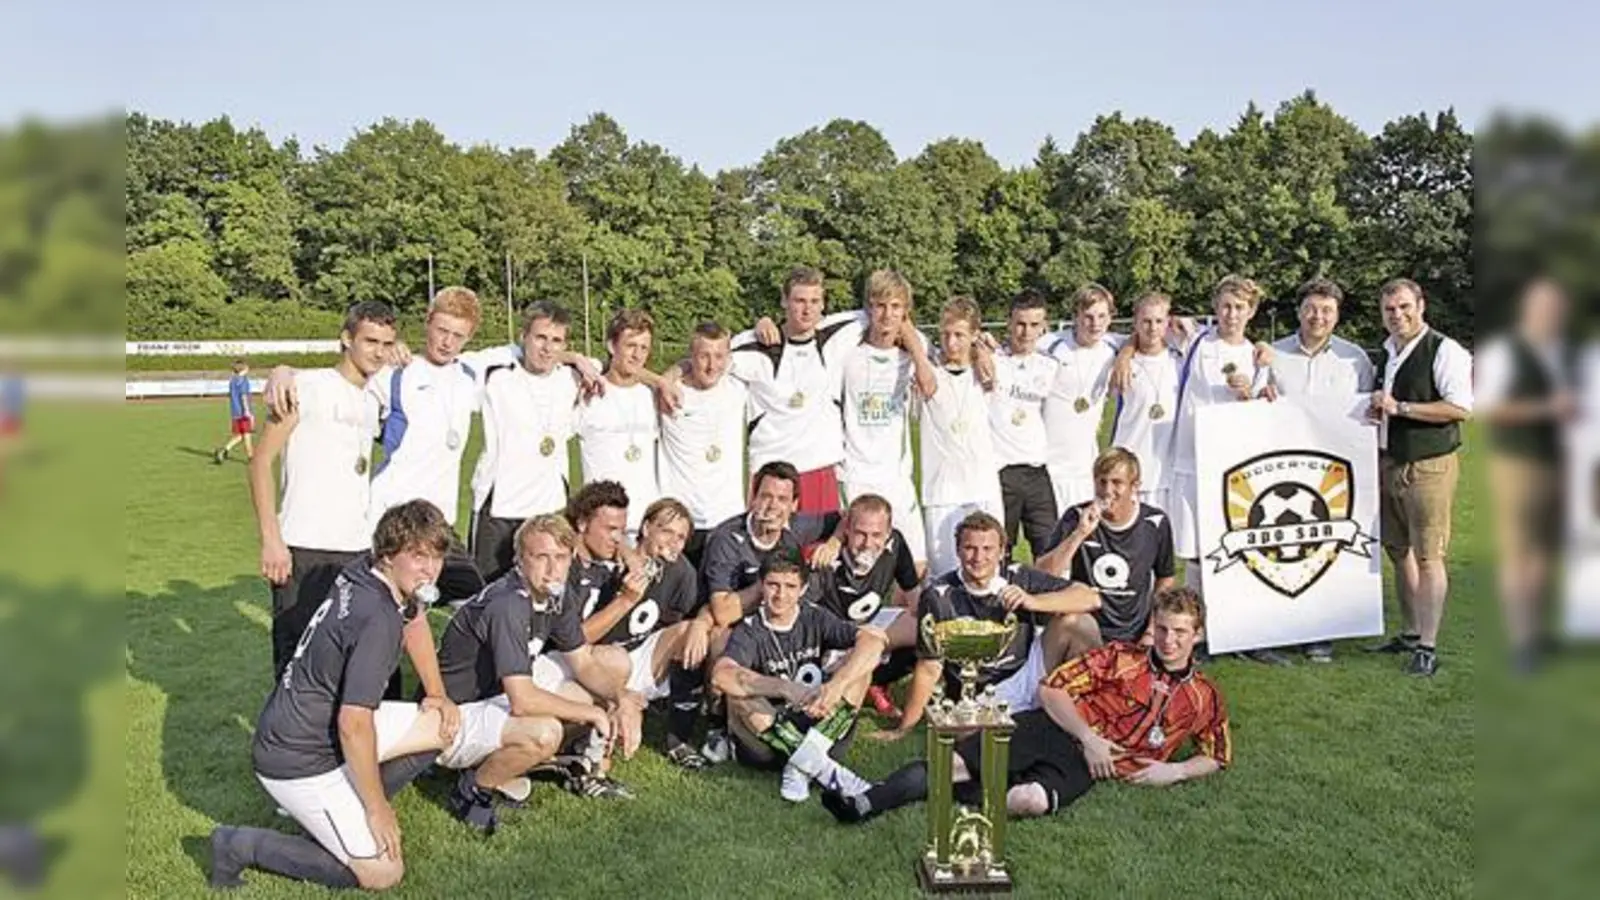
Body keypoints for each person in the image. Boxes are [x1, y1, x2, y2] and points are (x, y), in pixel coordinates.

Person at [208, 500, 464, 891]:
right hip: (297, 758)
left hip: (306, 726)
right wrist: (377, 810)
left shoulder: (367, 568)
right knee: (383, 873)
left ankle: (344, 810)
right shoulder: (377, 618)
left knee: (443, 723)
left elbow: (413, 617)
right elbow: (353, 724)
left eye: (436, 557)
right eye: (418, 556)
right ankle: (238, 845)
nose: (430, 569)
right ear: (389, 554)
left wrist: (438, 693)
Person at [821, 586, 1231, 824]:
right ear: (1152, 626)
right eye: (1161, 629)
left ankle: (934, 793)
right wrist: (1088, 736)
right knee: (953, 766)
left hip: (1084, 768)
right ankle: (865, 803)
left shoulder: (1204, 696)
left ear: (1197, 634)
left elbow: (1217, 754)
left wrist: (1175, 770)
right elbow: (1052, 690)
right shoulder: (1121, 658)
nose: (1168, 640)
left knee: (1028, 801)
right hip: (1053, 729)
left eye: (1179, 632)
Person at [433, 513, 624, 833]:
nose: (552, 569)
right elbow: (521, 701)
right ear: (519, 560)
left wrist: (621, 699)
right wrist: (591, 713)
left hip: (497, 696)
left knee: (609, 671)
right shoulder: (508, 603)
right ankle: (474, 789)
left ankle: (547, 761)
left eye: (561, 558)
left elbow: (584, 662)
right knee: (544, 731)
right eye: (541, 557)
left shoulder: (556, 593)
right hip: (453, 717)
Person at [248, 301, 395, 682]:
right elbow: (260, 462)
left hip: (358, 550)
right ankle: (284, 742)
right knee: (297, 667)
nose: (378, 351)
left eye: (386, 343)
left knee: (350, 664)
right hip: (303, 547)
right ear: (346, 338)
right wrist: (271, 539)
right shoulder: (304, 387)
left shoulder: (375, 397)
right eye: (369, 341)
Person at [871, 511, 1101, 744]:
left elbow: (1090, 598)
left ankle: (1096, 716)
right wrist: (904, 728)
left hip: (1027, 672)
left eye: (988, 549)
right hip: (979, 694)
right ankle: (1040, 720)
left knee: (1080, 624)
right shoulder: (939, 595)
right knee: (961, 734)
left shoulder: (1018, 576)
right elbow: (930, 668)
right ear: (958, 550)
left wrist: (1033, 602)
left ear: (1002, 552)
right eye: (970, 548)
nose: (978, 557)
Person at [1254, 277, 1377, 663]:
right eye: (1311, 308)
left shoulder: (1355, 358)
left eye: (1326, 310)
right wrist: (1262, 394)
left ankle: (1318, 633)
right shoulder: (1272, 354)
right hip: (1279, 469)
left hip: (1333, 472)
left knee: (1325, 550)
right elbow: (1254, 404)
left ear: (1337, 315)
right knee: (1279, 550)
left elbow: (1365, 416)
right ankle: (1274, 626)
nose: (1318, 316)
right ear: (1299, 311)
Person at [696, 460, 844, 760]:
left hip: (773, 614)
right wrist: (768, 583)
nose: (772, 506)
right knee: (718, 637)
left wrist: (834, 543)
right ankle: (717, 724)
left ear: (794, 505)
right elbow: (722, 611)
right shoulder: (727, 538)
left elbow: (847, 516)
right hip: (733, 621)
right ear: (752, 497)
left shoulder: (799, 525)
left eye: (782, 499)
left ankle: (800, 703)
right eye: (766, 496)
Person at [713, 555, 888, 802]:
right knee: (737, 695)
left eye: (790, 586)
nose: (780, 595)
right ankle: (824, 770)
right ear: (761, 586)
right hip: (769, 735)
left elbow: (873, 642)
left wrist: (836, 686)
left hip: (820, 726)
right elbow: (721, 676)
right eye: (773, 585)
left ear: (803, 589)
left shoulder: (815, 616)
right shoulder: (750, 629)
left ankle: (800, 765)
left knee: (860, 671)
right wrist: (784, 688)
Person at [1366, 278, 1474, 676]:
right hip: (1389, 461)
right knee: (1398, 551)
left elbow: (1460, 408)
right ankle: (1410, 632)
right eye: (1390, 309)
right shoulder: (1386, 353)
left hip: (1429, 463)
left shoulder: (1445, 350)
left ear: (1421, 305)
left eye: (1404, 307)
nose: (1397, 315)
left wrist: (1401, 407)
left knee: (1429, 556)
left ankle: (1427, 646)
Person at [1478, 278, 1574, 674]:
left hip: (1563, 463)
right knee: (1518, 552)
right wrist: (1546, 409)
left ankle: (1537, 630)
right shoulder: (1505, 353)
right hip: (1517, 464)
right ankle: (1522, 641)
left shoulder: (1566, 353)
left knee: (1547, 553)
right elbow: (1489, 409)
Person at [579, 498, 713, 768]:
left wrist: (699, 625)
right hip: (597, 661)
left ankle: (678, 739)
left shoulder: (681, 571)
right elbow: (579, 639)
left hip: (639, 655)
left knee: (691, 633)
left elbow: (697, 611)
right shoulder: (613, 561)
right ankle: (606, 719)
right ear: (645, 528)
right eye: (666, 531)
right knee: (614, 659)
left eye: (681, 537)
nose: (673, 542)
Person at [725, 265, 861, 513]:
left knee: (818, 551)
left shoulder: (836, 336)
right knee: (764, 548)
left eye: (814, 301)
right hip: (771, 474)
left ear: (823, 304)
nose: (807, 309)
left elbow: (893, 310)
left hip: (819, 468)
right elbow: (702, 359)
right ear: (784, 301)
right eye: (799, 300)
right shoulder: (754, 346)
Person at [468, 301, 586, 582]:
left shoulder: (573, 377)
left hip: (549, 508)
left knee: (545, 592)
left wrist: (665, 381)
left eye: (557, 341)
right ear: (523, 337)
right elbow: (446, 363)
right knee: (488, 596)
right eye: (540, 338)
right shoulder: (495, 371)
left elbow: (621, 366)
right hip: (499, 508)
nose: (547, 348)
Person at [833, 269, 937, 572]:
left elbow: (929, 386)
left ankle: (905, 620)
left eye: (896, 307)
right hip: (855, 474)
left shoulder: (913, 356)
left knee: (916, 566)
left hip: (896, 476)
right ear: (869, 309)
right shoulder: (847, 355)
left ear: (906, 313)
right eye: (880, 305)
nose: (887, 314)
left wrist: (913, 346)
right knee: (858, 565)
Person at [1036, 448, 1176, 650]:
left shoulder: (1154, 522)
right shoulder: (1077, 517)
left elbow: (1166, 578)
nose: (1107, 490)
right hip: (1086, 629)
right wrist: (1079, 534)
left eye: (1116, 483)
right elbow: (1043, 575)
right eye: (1102, 481)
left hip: (1136, 634)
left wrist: (1151, 632)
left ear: (1135, 486)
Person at [807, 493, 925, 718]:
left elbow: (913, 595)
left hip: (870, 628)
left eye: (876, 535)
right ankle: (843, 683)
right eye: (860, 534)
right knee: (863, 646)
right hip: (831, 641)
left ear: (888, 533)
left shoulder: (895, 544)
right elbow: (802, 621)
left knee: (925, 628)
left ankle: (875, 680)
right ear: (847, 531)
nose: (868, 544)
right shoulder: (826, 561)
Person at [917, 296, 1003, 577]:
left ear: (975, 335)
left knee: (987, 572)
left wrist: (984, 350)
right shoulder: (927, 374)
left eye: (960, 335)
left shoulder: (990, 370)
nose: (951, 343)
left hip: (983, 486)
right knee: (944, 575)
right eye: (945, 334)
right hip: (941, 491)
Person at [657, 322, 748, 566]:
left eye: (719, 356)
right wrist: (666, 378)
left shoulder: (739, 390)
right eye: (703, 356)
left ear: (728, 358)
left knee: (721, 599)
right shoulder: (668, 394)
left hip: (727, 517)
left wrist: (764, 323)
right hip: (680, 522)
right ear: (691, 356)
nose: (711, 365)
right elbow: (628, 373)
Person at [988, 289, 1061, 559]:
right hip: (1000, 471)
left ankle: (1044, 601)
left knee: (1049, 551)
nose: (1026, 332)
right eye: (1020, 323)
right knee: (997, 553)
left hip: (1036, 471)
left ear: (1043, 326)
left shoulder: (1051, 366)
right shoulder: (991, 361)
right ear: (1008, 322)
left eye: (1034, 325)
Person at [577, 308, 663, 534]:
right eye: (630, 346)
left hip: (646, 525)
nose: (637, 355)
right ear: (611, 346)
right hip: (602, 526)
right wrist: (575, 358)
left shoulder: (653, 396)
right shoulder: (588, 393)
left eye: (644, 348)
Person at [1042, 284, 1123, 515]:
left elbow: (1148, 335)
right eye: (1088, 316)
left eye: (1101, 316)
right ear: (1076, 316)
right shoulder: (1050, 345)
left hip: (1086, 466)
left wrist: (1126, 355)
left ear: (1110, 318)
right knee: (1051, 539)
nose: (1095, 323)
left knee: (1084, 535)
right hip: (1048, 464)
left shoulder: (1113, 346)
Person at [1106, 293, 1181, 504]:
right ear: (1136, 323)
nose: (1152, 328)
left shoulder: (1180, 359)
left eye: (1158, 321)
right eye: (1146, 321)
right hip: (1128, 467)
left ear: (1167, 323)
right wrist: (1125, 354)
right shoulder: (1120, 362)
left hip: (1166, 474)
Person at [214, 359, 255, 464]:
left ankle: (224, 450)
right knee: (247, 434)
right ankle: (251, 458)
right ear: (244, 368)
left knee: (240, 435)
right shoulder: (244, 381)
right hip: (243, 412)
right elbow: (243, 396)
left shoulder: (233, 380)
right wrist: (247, 411)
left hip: (235, 412)